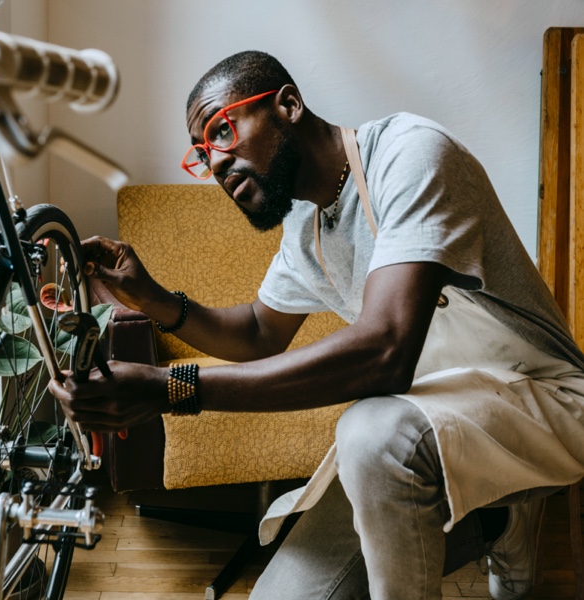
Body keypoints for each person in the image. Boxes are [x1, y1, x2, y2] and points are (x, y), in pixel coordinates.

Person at [48, 50, 584, 599]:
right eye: (202, 153)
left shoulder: (411, 153)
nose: (216, 163)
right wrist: (153, 297)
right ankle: (498, 522)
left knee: (372, 431)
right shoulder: (307, 225)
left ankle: (501, 506)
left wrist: (172, 390)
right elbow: (258, 332)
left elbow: (386, 352)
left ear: (288, 104)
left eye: (223, 130)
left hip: (544, 401)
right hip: (437, 412)